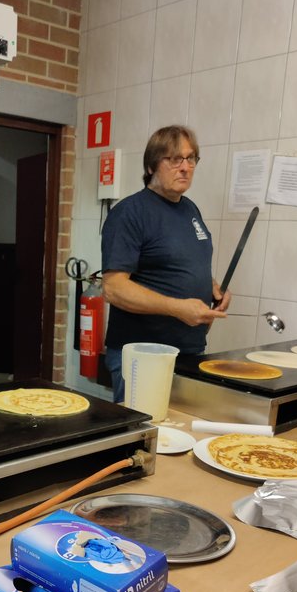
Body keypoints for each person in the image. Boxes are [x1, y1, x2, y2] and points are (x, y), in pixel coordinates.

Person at [101, 125, 231, 402]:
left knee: (180, 435)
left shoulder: (190, 209)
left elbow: (178, 265)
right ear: (151, 165)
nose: (185, 167)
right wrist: (178, 308)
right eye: (174, 159)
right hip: (143, 356)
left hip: (189, 350)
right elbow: (113, 289)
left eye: (191, 158)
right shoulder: (130, 213)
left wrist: (211, 288)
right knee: (143, 437)